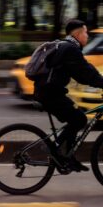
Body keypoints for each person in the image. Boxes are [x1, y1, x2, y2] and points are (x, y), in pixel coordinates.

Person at [34, 19, 103, 172]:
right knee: (79, 119)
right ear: (78, 34)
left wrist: (99, 81)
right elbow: (86, 74)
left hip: (48, 92)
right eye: (85, 32)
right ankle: (57, 151)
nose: (87, 36)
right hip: (50, 94)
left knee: (76, 117)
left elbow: (85, 71)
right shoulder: (70, 49)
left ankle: (68, 157)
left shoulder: (67, 46)